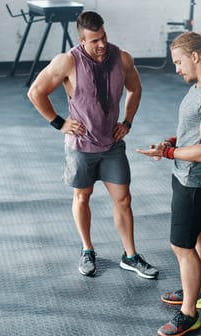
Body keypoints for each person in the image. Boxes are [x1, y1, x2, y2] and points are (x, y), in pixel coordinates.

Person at [28, 11, 158, 279]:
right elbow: (36, 92)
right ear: (82, 40)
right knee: (82, 197)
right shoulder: (67, 62)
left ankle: (130, 256)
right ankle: (87, 249)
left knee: (123, 199)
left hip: (111, 145)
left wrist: (128, 121)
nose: (101, 45)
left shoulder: (122, 58)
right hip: (80, 147)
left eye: (104, 37)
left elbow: (135, 89)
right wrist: (59, 123)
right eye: (94, 40)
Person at [136, 31, 201, 336]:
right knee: (197, 234)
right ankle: (196, 292)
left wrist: (167, 153)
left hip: (197, 181)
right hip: (189, 177)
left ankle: (189, 314)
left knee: (181, 246)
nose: (176, 68)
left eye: (179, 62)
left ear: (195, 57)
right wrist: (171, 143)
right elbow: (198, 133)